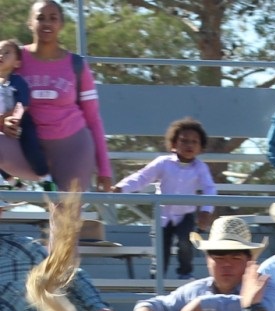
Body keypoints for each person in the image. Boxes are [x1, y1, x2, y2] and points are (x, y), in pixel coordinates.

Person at [111, 216, 275, 311]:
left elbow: (258, 307)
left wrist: (205, 303)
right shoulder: (195, 290)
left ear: (249, 262)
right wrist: (144, 310)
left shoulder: (264, 286)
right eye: (219, 257)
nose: (227, 264)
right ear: (207, 260)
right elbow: (164, 304)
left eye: (235, 258)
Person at [19, 1, 112, 192]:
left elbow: (93, 119)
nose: (46, 23)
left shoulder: (76, 64)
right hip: (27, 145)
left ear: (61, 24)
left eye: (53, 18)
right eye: (40, 18)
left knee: (65, 216)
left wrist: (104, 169)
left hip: (72, 147)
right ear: (30, 22)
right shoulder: (14, 58)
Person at [113, 117, 216, 279]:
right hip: (163, 215)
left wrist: (206, 211)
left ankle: (185, 273)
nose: (189, 145)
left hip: (185, 215)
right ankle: (157, 277)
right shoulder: (163, 163)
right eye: (184, 141)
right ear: (173, 144)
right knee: (161, 248)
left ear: (201, 148)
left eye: (194, 142)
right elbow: (142, 178)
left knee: (185, 243)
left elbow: (209, 188)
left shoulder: (201, 168)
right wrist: (122, 187)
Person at [0, 38, 51, 185]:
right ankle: (10, 180)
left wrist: (11, 119)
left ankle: (44, 176)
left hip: (20, 122)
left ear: (17, 63)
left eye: (7, 53)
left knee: (30, 143)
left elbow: (23, 104)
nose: (1, 55)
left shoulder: (17, 81)